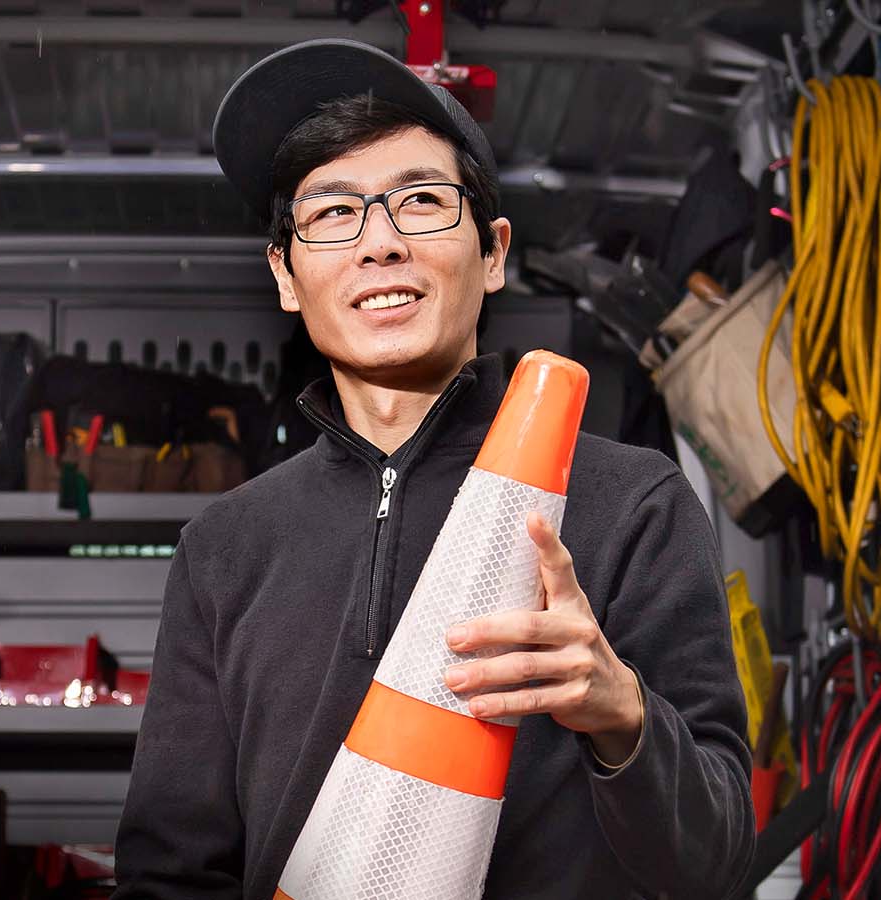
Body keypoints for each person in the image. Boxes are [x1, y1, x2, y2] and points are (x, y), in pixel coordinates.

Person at [112, 39, 755, 900]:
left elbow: (714, 864)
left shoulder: (633, 504)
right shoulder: (226, 546)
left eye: (420, 201)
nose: (380, 245)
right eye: (334, 213)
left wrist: (621, 714)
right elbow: (171, 874)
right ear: (286, 276)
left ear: (492, 253)